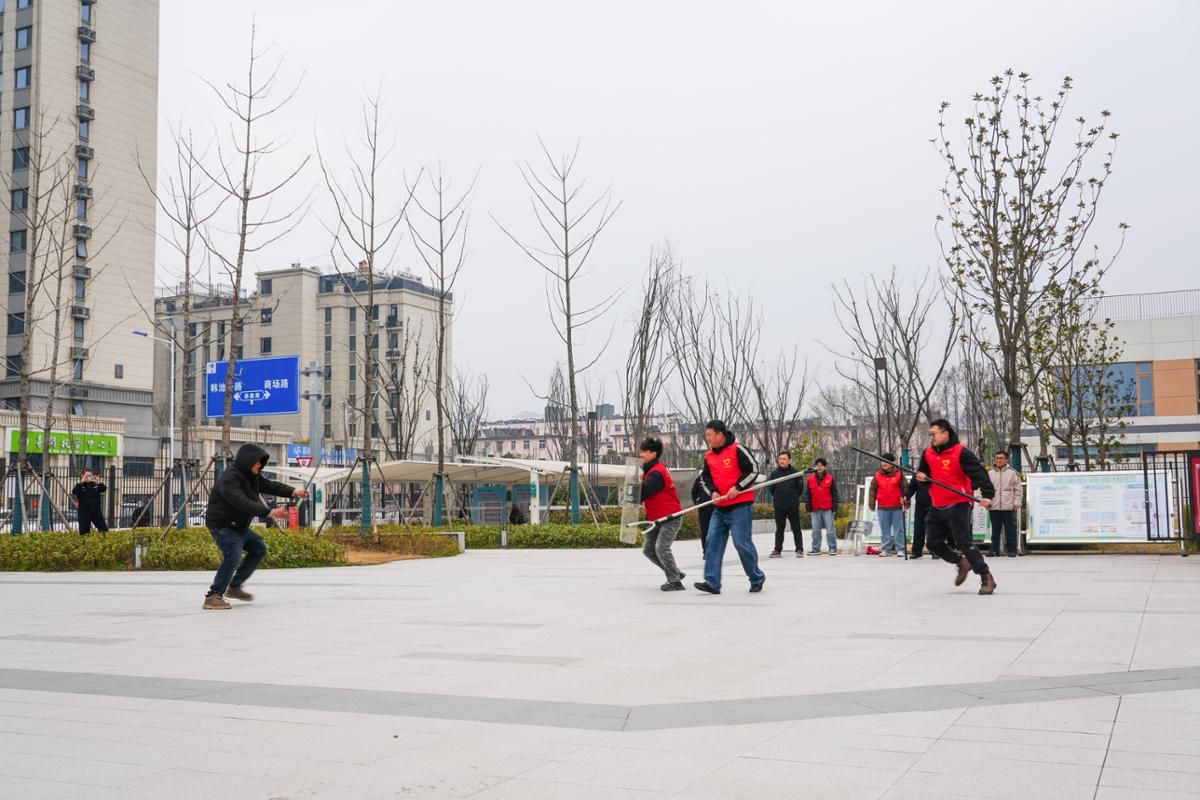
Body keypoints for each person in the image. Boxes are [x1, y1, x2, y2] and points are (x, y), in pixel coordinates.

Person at [203, 444, 306, 610]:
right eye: (258, 462)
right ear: (247, 461)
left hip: (239, 526)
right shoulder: (230, 479)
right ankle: (213, 595)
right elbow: (242, 502)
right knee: (233, 555)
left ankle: (234, 587)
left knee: (258, 549)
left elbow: (270, 485)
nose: (260, 466)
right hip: (222, 525)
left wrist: (293, 491)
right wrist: (270, 512)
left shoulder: (252, 476)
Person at [914, 419, 997, 595]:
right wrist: (921, 477)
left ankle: (986, 576)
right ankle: (961, 562)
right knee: (933, 543)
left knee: (963, 541)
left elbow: (979, 473)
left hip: (958, 503)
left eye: (934, 434)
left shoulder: (961, 453)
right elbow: (924, 474)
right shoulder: (928, 453)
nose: (931, 437)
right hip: (937, 504)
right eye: (930, 434)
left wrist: (987, 495)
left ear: (946, 434)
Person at [694, 420, 765, 595]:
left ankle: (756, 577)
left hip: (740, 506)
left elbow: (753, 470)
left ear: (720, 434)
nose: (708, 439)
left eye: (710, 435)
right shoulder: (709, 456)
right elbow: (705, 478)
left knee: (741, 543)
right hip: (720, 507)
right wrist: (713, 492)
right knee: (712, 541)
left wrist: (738, 487)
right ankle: (712, 582)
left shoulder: (738, 449)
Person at [638, 437, 686, 591]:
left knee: (661, 548)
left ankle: (675, 582)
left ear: (653, 453)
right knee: (649, 550)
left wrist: (631, 492)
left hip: (670, 517)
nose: (641, 454)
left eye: (644, 451)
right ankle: (675, 573)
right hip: (656, 518)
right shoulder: (650, 471)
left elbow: (645, 490)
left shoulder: (657, 472)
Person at [767, 451, 804, 558]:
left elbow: (800, 489)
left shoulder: (795, 473)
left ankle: (799, 549)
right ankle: (777, 550)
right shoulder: (774, 474)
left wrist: (793, 497)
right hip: (779, 506)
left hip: (792, 505)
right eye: (780, 459)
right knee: (779, 529)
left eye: (784, 459)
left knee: (796, 528)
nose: (781, 461)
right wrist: (778, 497)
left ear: (789, 461)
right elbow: (771, 489)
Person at [870, 454, 908, 556]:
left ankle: (901, 549)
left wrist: (906, 503)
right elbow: (872, 490)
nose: (884, 463)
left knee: (899, 530)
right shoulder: (877, 475)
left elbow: (905, 489)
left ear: (892, 463)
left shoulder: (899, 474)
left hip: (897, 507)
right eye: (882, 461)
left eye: (886, 461)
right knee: (884, 530)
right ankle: (886, 549)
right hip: (882, 507)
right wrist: (872, 504)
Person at [988, 450, 1022, 557]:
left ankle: (1012, 550)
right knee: (995, 529)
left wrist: (1017, 502)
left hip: (1008, 506)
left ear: (1006, 460)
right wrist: (987, 501)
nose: (998, 460)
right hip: (994, 506)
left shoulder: (1012, 473)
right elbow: (986, 489)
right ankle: (994, 550)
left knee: (1009, 529)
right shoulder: (990, 473)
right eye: (997, 458)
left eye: (1001, 458)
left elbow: (1018, 489)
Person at [806, 458, 839, 555]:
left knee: (830, 530)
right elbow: (807, 495)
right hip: (815, 508)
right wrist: (808, 507)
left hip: (827, 508)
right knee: (815, 530)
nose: (819, 467)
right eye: (817, 465)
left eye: (821, 465)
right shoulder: (810, 479)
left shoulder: (830, 478)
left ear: (825, 467)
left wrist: (834, 507)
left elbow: (834, 493)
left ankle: (832, 548)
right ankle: (816, 549)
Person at [71, 469, 108, 535]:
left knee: (103, 530)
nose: (88, 478)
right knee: (84, 532)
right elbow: (74, 492)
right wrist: (81, 482)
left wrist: (98, 482)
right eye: (87, 476)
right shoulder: (80, 485)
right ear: (83, 476)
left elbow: (103, 489)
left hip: (96, 511)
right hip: (84, 512)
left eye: (90, 476)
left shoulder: (95, 485)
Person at [904, 471, 931, 558]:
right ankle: (916, 551)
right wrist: (906, 496)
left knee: (933, 529)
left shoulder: (936, 471)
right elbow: (911, 488)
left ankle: (935, 551)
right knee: (918, 528)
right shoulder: (917, 474)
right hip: (920, 505)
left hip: (934, 504)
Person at [690, 474, 712, 557]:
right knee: (704, 530)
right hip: (703, 508)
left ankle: (714, 551)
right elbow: (694, 492)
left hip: (716, 508)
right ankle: (706, 551)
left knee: (715, 531)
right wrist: (697, 502)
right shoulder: (700, 478)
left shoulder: (716, 476)